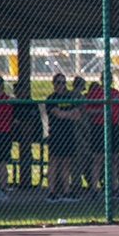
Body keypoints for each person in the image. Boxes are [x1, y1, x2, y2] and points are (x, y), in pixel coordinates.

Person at [84, 79, 119, 197]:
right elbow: (87, 109)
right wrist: (100, 110)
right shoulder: (95, 92)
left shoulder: (115, 93)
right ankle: (94, 188)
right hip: (99, 127)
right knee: (98, 158)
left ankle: (114, 188)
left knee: (114, 159)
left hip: (113, 127)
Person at [45, 73, 80, 202]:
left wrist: (66, 114)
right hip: (56, 134)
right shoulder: (51, 98)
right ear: (54, 84)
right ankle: (51, 192)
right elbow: (57, 113)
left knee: (66, 163)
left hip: (68, 134)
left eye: (63, 83)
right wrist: (68, 114)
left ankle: (66, 191)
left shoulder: (69, 97)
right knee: (54, 162)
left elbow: (77, 115)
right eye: (58, 82)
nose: (61, 85)